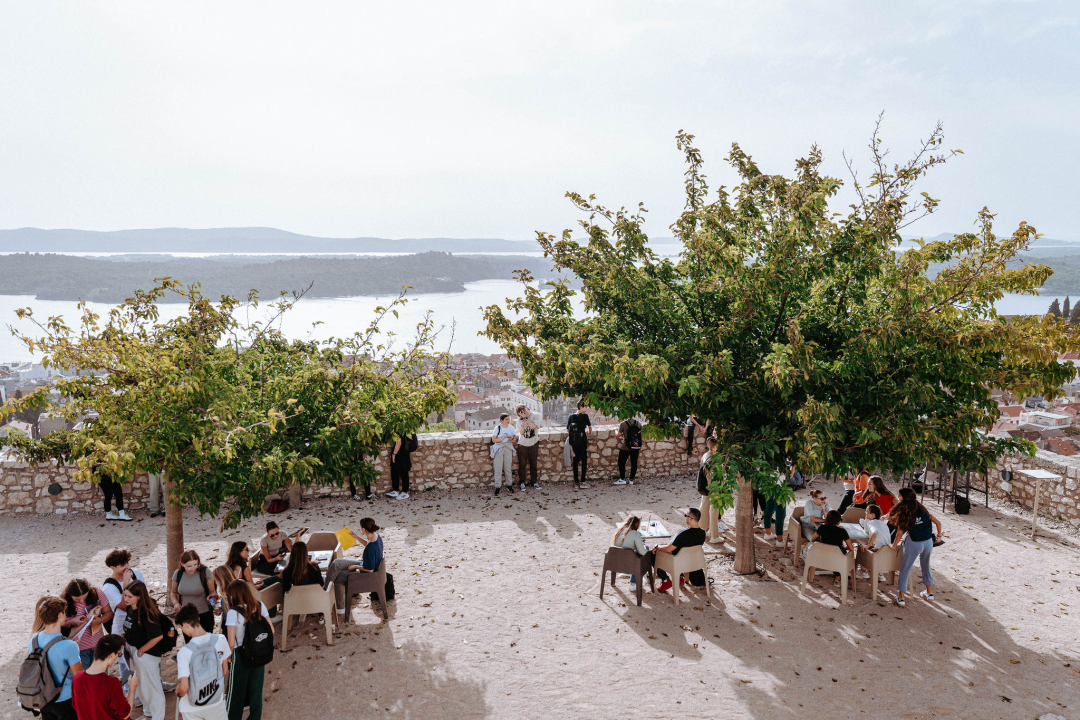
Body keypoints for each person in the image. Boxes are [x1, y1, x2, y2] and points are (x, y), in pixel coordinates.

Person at [28, 595, 83, 720]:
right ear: (60, 615)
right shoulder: (69, 645)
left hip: (44, 698)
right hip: (65, 699)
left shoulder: (33, 640)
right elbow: (79, 677)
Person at [224, 581, 273, 720]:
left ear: (233, 596)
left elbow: (231, 643)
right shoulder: (260, 605)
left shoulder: (233, 613)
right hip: (259, 652)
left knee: (236, 691)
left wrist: (227, 657)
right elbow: (272, 630)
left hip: (240, 654)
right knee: (256, 690)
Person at [120, 581, 167, 720]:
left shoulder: (146, 613)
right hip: (133, 651)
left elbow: (158, 636)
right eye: (125, 595)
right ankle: (148, 713)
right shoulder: (131, 608)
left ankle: (158, 716)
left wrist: (140, 651)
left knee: (152, 687)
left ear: (139, 596)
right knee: (140, 685)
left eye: (129, 596)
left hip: (146, 654)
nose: (126, 599)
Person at [175, 604, 231, 720]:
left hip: (192, 707)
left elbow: (184, 687)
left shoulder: (184, 652)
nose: (183, 631)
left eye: (181, 628)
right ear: (198, 618)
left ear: (185, 625)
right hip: (216, 700)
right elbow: (224, 671)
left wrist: (179, 692)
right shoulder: (221, 639)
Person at [890, 487, 943, 607]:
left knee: (905, 568)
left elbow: (899, 533)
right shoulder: (922, 508)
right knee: (926, 565)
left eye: (899, 496)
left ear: (904, 498)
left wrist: (894, 545)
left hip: (914, 542)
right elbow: (938, 523)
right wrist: (939, 536)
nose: (898, 497)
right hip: (928, 542)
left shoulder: (904, 512)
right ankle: (929, 594)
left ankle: (901, 598)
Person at [324, 517, 384, 615]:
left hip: (367, 573)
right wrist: (356, 536)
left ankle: (340, 607)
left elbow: (370, 570)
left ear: (363, 529)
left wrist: (355, 567)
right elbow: (367, 544)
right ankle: (326, 588)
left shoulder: (371, 548)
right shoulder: (376, 536)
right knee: (336, 563)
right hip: (364, 563)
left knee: (339, 576)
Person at [72, 634, 139, 720]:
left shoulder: (77, 678)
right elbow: (125, 715)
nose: (117, 657)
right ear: (111, 655)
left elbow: (76, 705)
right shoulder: (112, 683)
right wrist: (132, 688)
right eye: (119, 654)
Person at [652, 508, 706, 592]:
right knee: (679, 552)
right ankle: (680, 577)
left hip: (678, 563)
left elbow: (668, 549)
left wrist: (657, 547)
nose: (685, 517)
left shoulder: (683, 533)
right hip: (693, 561)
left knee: (653, 553)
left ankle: (665, 580)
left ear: (690, 519)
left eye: (685, 515)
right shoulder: (703, 532)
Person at [61, 578, 112, 669]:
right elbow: (58, 627)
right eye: (77, 599)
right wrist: (71, 622)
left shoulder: (97, 593)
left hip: (98, 645)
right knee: (82, 677)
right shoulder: (62, 602)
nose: (81, 601)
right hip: (77, 648)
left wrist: (99, 620)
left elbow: (109, 612)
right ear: (69, 594)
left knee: (100, 676)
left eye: (84, 597)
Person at [170, 550, 217, 642]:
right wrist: (175, 603)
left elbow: (212, 591)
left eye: (195, 564)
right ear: (182, 564)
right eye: (189, 566)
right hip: (186, 615)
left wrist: (212, 597)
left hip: (204, 614)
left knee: (206, 643)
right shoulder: (178, 573)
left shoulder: (205, 571)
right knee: (190, 643)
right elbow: (173, 593)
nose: (193, 568)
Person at [810, 510, 852, 584]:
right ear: (838, 521)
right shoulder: (842, 531)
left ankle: (836, 575)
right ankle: (838, 577)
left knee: (835, 554)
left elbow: (812, 539)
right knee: (841, 553)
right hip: (837, 556)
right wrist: (844, 547)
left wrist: (822, 543)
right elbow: (851, 548)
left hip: (823, 554)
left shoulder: (822, 528)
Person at [853, 504, 891, 581]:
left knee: (862, 547)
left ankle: (863, 571)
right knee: (867, 545)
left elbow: (874, 534)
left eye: (867, 511)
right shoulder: (882, 523)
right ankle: (879, 574)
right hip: (887, 551)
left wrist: (867, 546)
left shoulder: (871, 523)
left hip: (878, 551)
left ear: (873, 515)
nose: (865, 513)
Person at [696, 437, 723, 541]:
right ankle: (714, 536)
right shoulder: (712, 458)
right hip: (713, 486)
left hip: (706, 486)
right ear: (714, 446)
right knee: (714, 509)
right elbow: (714, 474)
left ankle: (702, 530)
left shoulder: (706, 455)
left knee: (704, 507)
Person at [612, 515, 648, 591]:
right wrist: (644, 548)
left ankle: (634, 578)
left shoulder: (619, 531)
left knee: (633, 553)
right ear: (636, 524)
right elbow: (643, 553)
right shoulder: (635, 534)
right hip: (628, 562)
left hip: (616, 561)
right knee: (643, 553)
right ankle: (633, 583)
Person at [515, 404, 541, 490]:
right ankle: (522, 482)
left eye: (524, 409)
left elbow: (534, 426)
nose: (524, 412)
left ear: (528, 408)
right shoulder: (519, 420)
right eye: (521, 411)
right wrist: (523, 423)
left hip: (533, 443)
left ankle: (534, 482)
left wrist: (526, 419)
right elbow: (521, 433)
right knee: (522, 464)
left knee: (533, 464)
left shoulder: (536, 415)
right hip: (522, 444)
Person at [490, 413, 517, 497]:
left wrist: (510, 438)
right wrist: (502, 438)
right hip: (499, 448)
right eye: (506, 419)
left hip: (508, 447)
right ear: (502, 420)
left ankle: (509, 485)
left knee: (508, 468)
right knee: (498, 468)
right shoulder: (497, 428)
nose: (508, 421)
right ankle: (497, 487)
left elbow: (514, 440)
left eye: (509, 419)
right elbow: (494, 440)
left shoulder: (511, 428)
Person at [566, 400, 592, 486]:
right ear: (581, 407)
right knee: (584, 460)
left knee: (575, 460)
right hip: (582, 440)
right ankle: (583, 480)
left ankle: (576, 480)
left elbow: (567, 429)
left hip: (574, 441)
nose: (586, 409)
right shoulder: (585, 416)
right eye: (585, 407)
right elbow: (590, 428)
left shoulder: (571, 416)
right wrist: (588, 432)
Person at [761, 470, 788, 548]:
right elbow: (790, 476)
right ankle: (779, 540)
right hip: (779, 490)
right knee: (780, 515)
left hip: (770, 488)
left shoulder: (770, 466)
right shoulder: (783, 467)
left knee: (768, 510)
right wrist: (793, 466)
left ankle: (768, 533)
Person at [387, 433, 417, 500]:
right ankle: (396, 491)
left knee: (403, 473)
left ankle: (405, 493)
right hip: (403, 453)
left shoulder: (399, 430)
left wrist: (394, 454)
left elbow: (398, 442)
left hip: (401, 454)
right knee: (395, 471)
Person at [613, 416, 642, 486]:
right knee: (634, 463)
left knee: (621, 462)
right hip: (635, 446)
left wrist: (616, 431)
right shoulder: (638, 424)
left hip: (626, 446)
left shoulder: (623, 424)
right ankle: (631, 479)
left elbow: (618, 435)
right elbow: (641, 436)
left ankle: (622, 479)